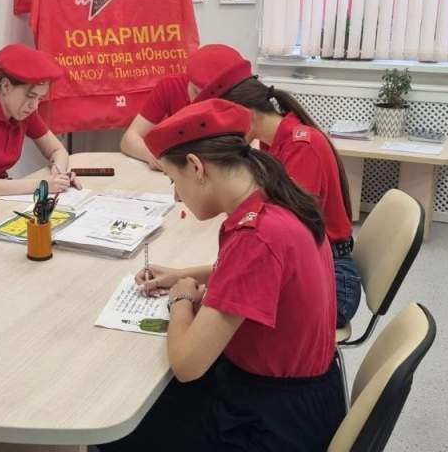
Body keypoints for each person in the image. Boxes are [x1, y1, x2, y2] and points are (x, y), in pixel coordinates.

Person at [102, 100, 344, 451]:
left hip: (272, 423)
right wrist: (184, 274)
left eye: (174, 179)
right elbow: (256, 276)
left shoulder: (256, 237)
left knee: (121, 431)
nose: (176, 195)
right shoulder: (276, 197)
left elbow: (187, 364)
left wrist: (181, 299)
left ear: (196, 167)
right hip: (299, 397)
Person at [196, 68, 361, 327]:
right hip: (310, 264)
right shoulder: (270, 143)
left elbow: (282, 233)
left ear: (248, 115)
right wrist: (187, 275)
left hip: (334, 279)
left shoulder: (302, 146)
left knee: (226, 317)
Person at [0, 44, 80, 214]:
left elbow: (57, 150)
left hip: (2, 198)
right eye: (31, 96)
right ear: (5, 86)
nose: (34, 106)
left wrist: (59, 174)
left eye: (40, 98)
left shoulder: (25, 114)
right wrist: (41, 184)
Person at [120, 44, 249, 169]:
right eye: (196, 92)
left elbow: (252, 148)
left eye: (215, 98)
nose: (203, 103)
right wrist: (153, 157)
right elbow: (129, 139)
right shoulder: (170, 86)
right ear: (189, 80)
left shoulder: (243, 96)